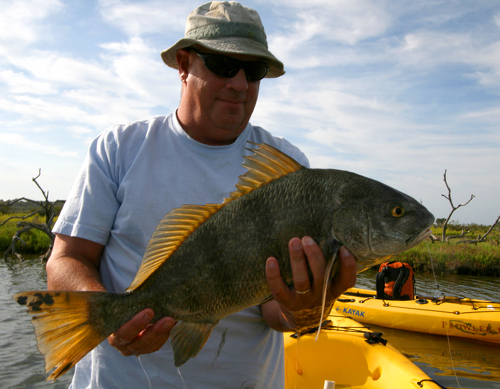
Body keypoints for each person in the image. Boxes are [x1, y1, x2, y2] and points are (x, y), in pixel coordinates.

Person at [47, 1, 357, 388]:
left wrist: (310, 307)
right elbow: (67, 258)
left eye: (254, 70)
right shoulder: (119, 148)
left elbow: (275, 309)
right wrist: (109, 317)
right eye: (223, 65)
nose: (239, 84)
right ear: (183, 64)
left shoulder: (288, 167)